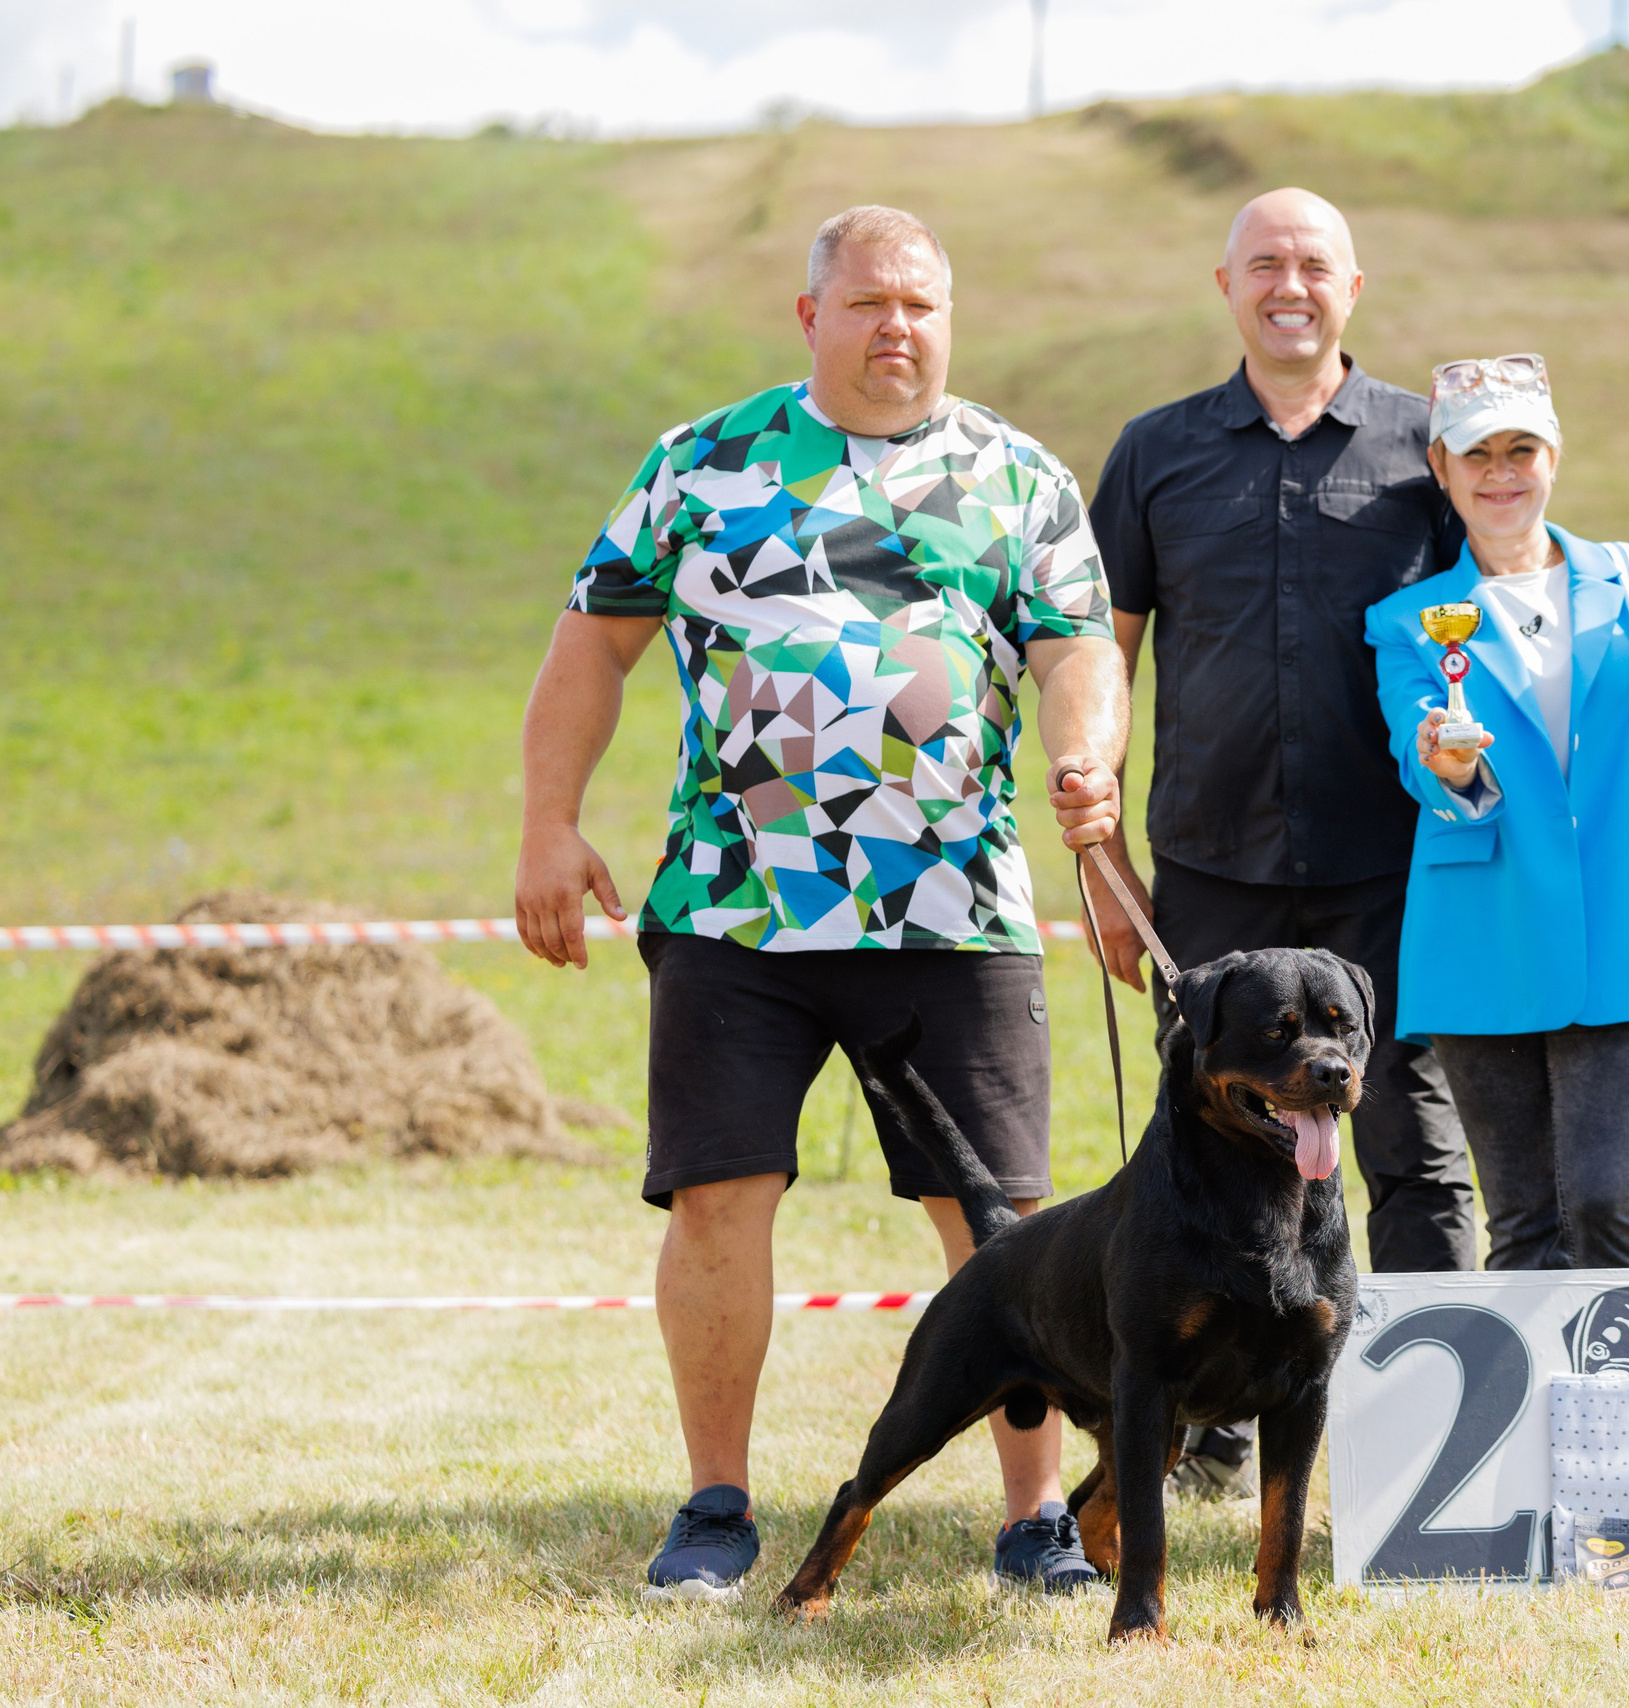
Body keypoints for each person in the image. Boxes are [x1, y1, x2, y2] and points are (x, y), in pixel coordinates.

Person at [512, 204, 1131, 1601]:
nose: (895, 327)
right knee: (720, 1202)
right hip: (738, 915)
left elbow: (1078, 650)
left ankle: (1033, 1521)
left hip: (953, 914)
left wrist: (1087, 756)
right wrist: (550, 827)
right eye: (866, 303)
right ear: (812, 318)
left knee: (1004, 1228)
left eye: (920, 303)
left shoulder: (1015, 477)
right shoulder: (701, 464)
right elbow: (592, 650)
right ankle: (717, 1509)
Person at [1087, 188, 1478, 1496]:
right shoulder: (1156, 452)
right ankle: (1213, 1427)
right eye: (1265, 265)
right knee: (1212, 1148)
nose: (1289, 285)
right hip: (1206, 870)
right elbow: (1107, 656)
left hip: (1394, 866)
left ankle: (1429, 1432)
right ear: (1227, 284)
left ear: (1353, 287)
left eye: (1314, 264)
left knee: (1410, 1147)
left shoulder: (1433, 448)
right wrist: (1103, 864)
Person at [1364, 353, 1629, 1271]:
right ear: (1440, 468)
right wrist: (1446, 762)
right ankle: (1535, 1418)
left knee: (1607, 1202)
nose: (1501, 474)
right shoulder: (1406, 619)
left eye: (1521, 449)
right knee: (1525, 1224)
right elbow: (1420, 752)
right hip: (1478, 939)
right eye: (1478, 455)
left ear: (1555, 454)